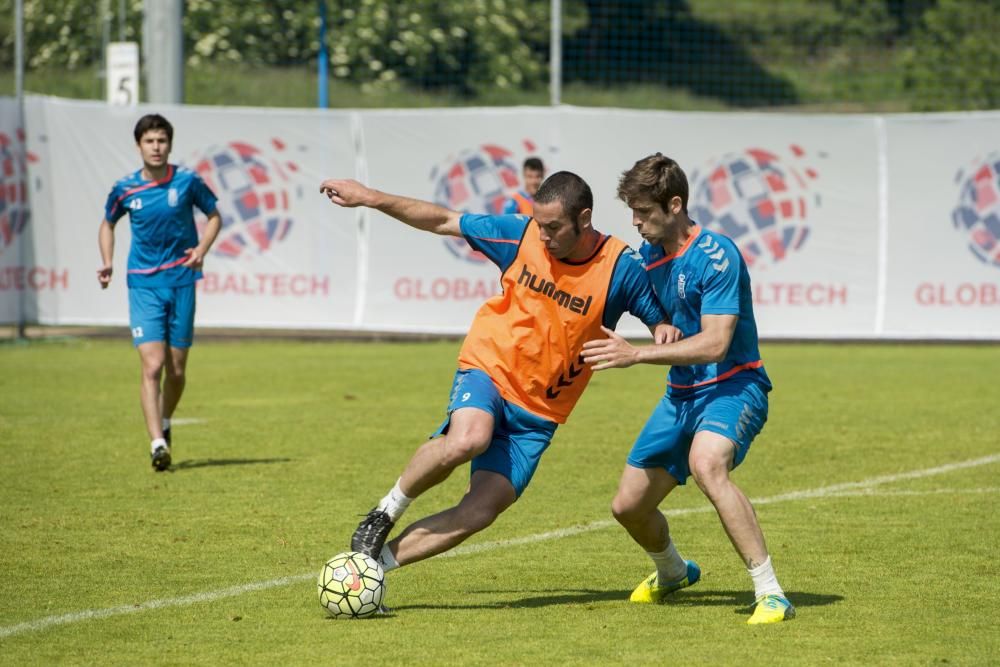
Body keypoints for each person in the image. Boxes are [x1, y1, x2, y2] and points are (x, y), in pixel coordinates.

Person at [319, 171, 674, 582]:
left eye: (554, 227)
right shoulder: (520, 235)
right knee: (469, 439)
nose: (544, 237)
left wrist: (661, 333)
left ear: (585, 217)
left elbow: (658, 320)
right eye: (540, 225)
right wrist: (370, 196)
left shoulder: (620, 267)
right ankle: (385, 511)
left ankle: (372, 569)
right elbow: (443, 220)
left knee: (481, 510)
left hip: (538, 414)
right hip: (490, 367)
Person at [581, 153, 794, 625]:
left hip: (735, 386)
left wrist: (636, 353)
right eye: (632, 213)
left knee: (706, 464)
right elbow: (646, 307)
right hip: (681, 397)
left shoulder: (718, 255)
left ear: (675, 205)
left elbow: (717, 343)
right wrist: (658, 326)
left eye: (644, 213)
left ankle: (771, 592)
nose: (635, 223)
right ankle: (673, 571)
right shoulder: (648, 258)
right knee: (628, 506)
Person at [98, 114, 222, 471]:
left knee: (177, 371)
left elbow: (214, 216)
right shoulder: (125, 188)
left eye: (162, 141)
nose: (156, 147)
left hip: (181, 281)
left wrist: (201, 250)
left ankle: (165, 421)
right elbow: (107, 223)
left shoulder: (186, 181)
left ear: (169, 144)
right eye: (149, 141)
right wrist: (107, 260)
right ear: (139, 146)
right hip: (143, 285)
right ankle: (157, 444)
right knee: (152, 366)